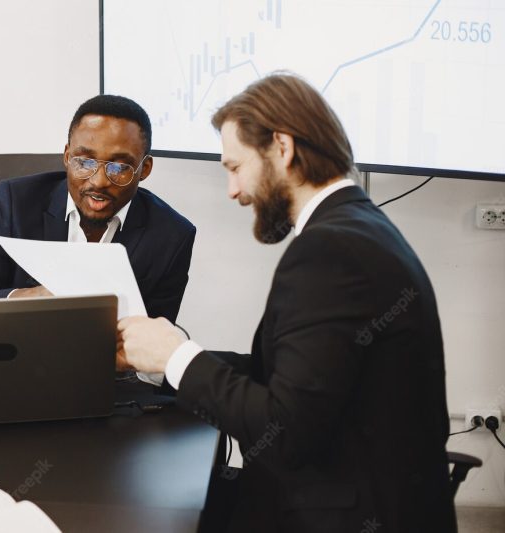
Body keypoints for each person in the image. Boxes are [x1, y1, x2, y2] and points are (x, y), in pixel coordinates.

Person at [117, 74, 455, 532]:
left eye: (234, 168)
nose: (232, 191)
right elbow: (292, 379)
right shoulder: (359, 227)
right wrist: (160, 361)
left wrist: (178, 357)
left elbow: (287, 431)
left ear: (282, 147)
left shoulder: (330, 252)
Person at [0, 95, 196, 325]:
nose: (99, 181)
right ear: (67, 156)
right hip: (14, 363)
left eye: (119, 167)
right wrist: (28, 298)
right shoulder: (16, 203)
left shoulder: (171, 235)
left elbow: (157, 349)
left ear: (144, 169)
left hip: (108, 375)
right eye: (84, 161)